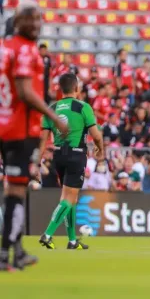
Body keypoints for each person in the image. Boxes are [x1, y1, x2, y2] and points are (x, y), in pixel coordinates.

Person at [0, 0, 69, 271]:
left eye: (39, 19)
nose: (36, 24)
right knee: (17, 191)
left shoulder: (5, 49)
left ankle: (16, 251)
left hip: (7, 125)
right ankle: (6, 253)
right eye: (31, 20)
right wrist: (54, 117)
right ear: (18, 22)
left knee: (13, 188)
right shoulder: (25, 51)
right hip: (19, 128)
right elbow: (26, 92)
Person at [38, 73, 104, 250]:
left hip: (58, 156)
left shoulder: (51, 108)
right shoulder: (83, 107)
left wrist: (36, 162)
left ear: (60, 89)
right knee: (69, 198)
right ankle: (48, 233)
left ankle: (72, 240)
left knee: (69, 198)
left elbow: (43, 140)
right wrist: (100, 149)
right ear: (77, 88)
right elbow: (96, 134)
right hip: (76, 155)